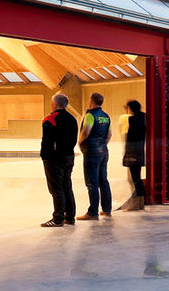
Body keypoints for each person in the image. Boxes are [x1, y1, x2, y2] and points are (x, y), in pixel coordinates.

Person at [40, 93, 78, 227]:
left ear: (55, 104)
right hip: (69, 157)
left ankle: (58, 218)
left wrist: (44, 156)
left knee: (56, 189)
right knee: (67, 186)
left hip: (54, 159)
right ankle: (70, 216)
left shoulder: (49, 119)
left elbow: (47, 141)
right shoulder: (73, 119)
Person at [79, 91, 114, 221]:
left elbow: (86, 131)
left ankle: (93, 212)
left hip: (92, 152)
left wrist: (79, 142)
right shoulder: (106, 116)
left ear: (91, 101)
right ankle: (107, 210)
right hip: (104, 151)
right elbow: (109, 135)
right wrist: (102, 146)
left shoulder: (90, 115)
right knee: (103, 181)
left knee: (92, 183)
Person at [118, 99, 149, 211]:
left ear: (130, 109)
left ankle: (136, 204)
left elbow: (130, 140)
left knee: (134, 178)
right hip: (139, 151)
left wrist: (126, 155)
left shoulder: (134, 121)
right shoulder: (143, 118)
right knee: (137, 178)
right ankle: (140, 203)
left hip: (133, 152)